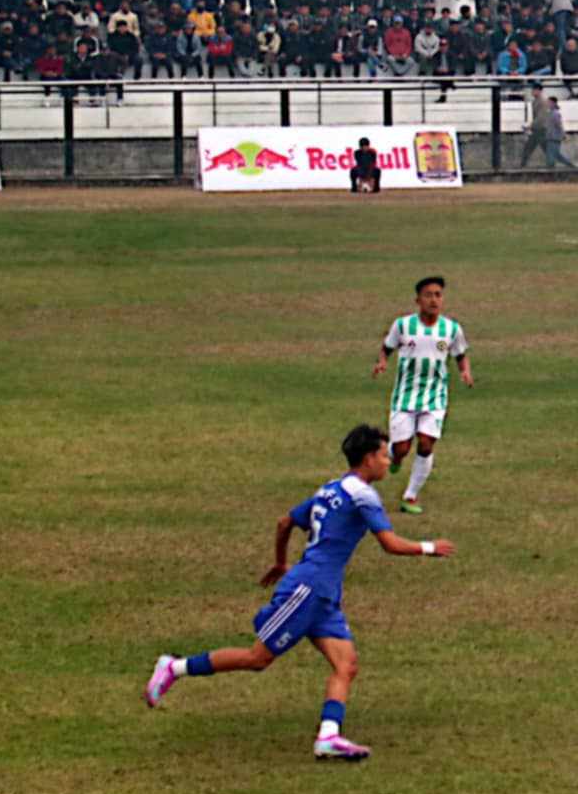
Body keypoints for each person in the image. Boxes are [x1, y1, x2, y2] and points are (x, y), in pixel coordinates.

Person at [140, 423, 456, 760]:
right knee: (257, 658)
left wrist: (280, 562)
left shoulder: (330, 489)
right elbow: (390, 544)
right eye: (382, 454)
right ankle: (174, 667)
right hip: (309, 588)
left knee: (346, 664)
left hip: (323, 594)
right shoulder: (364, 496)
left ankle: (329, 737)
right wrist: (428, 547)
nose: (387, 460)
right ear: (367, 459)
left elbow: (284, 522)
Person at [370, 275, 474, 515]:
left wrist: (465, 372)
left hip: (435, 397)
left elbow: (460, 355)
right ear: (418, 300)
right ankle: (396, 458)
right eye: (428, 295)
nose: (434, 300)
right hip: (405, 398)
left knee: (426, 444)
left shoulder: (452, 329)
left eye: (438, 295)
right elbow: (387, 348)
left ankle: (410, 496)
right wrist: (382, 362)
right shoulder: (403, 325)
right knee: (403, 448)